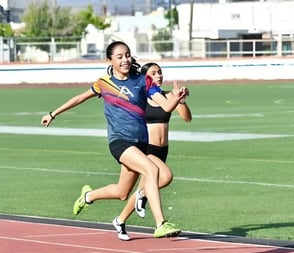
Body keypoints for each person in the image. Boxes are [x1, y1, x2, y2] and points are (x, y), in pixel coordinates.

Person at [41, 41, 187, 238]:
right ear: (109, 60)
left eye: (127, 55)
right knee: (152, 170)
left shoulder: (144, 81)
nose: (125, 59)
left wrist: (177, 98)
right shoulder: (104, 83)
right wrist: (53, 113)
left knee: (122, 192)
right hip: (120, 142)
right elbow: (79, 98)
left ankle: (88, 196)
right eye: (119, 57)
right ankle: (161, 223)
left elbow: (167, 107)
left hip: (141, 144)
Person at [112, 62, 192, 240]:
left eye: (160, 72)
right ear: (145, 77)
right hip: (146, 149)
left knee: (140, 189)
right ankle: (158, 220)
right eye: (154, 73)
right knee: (165, 177)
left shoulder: (168, 96)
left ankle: (120, 220)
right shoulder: (141, 97)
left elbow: (187, 118)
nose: (159, 76)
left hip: (163, 150)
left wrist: (181, 99)